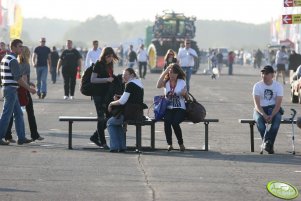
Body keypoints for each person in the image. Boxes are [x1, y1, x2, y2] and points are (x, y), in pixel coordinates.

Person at [0, 39, 36, 145]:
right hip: (11, 89)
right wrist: (29, 89)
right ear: (13, 47)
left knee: (19, 114)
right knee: (7, 115)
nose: (21, 48)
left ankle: (21, 138)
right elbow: (18, 79)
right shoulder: (13, 60)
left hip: (10, 89)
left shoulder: (6, 58)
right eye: (20, 46)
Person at [5, 46, 44, 142]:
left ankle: (8, 135)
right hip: (24, 90)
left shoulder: (16, 62)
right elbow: (24, 78)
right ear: (27, 54)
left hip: (15, 89)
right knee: (30, 112)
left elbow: (19, 77)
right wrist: (29, 88)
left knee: (12, 113)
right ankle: (34, 134)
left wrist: (29, 82)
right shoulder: (26, 64)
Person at [107, 68, 145, 152]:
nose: (123, 76)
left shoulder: (130, 84)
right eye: (123, 74)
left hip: (129, 113)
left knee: (110, 122)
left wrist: (111, 104)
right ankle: (122, 147)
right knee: (117, 124)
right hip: (137, 112)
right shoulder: (138, 83)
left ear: (132, 75)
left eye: (126, 74)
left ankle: (114, 147)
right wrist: (120, 96)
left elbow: (122, 101)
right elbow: (133, 97)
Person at [89, 47, 119, 149]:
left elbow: (110, 77)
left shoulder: (110, 65)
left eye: (111, 56)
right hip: (98, 95)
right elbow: (93, 79)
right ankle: (103, 142)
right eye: (108, 56)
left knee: (110, 117)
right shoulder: (98, 64)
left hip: (107, 95)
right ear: (104, 55)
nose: (110, 58)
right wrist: (106, 79)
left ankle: (94, 136)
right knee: (101, 118)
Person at [156, 63, 187, 151]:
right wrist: (166, 71)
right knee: (167, 122)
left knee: (175, 122)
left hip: (180, 108)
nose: (171, 74)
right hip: (169, 107)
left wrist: (183, 94)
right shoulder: (166, 82)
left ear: (178, 74)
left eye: (174, 73)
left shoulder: (182, 82)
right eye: (170, 72)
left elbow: (186, 96)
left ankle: (181, 143)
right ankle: (169, 144)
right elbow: (158, 85)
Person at [253, 65, 283, 154]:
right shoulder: (257, 86)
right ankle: (269, 144)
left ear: (272, 75)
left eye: (266, 73)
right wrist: (264, 115)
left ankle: (267, 144)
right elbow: (257, 105)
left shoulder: (278, 86)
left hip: (273, 109)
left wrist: (272, 115)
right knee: (259, 122)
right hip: (260, 110)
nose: (264, 76)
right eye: (262, 73)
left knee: (277, 121)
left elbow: (278, 105)